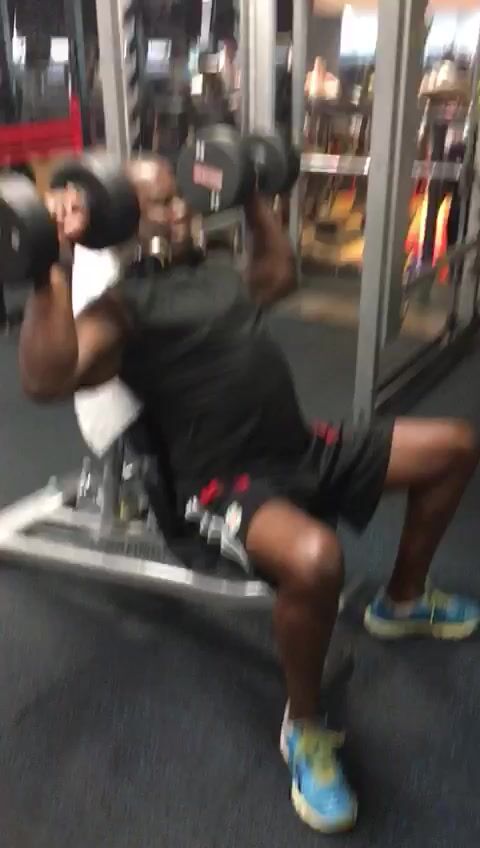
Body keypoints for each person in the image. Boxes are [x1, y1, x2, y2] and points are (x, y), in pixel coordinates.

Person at [18, 156, 480, 835]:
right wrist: (45, 269)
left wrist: (254, 192)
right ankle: (305, 728)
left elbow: (278, 277)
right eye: (161, 204)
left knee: (455, 446)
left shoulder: (211, 269)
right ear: (124, 222)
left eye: (179, 197)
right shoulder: (120, 310)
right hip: (222, 482)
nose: (182, 210)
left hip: (299, 446)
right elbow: (47, 379)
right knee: (316, 560)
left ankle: (403, 602)